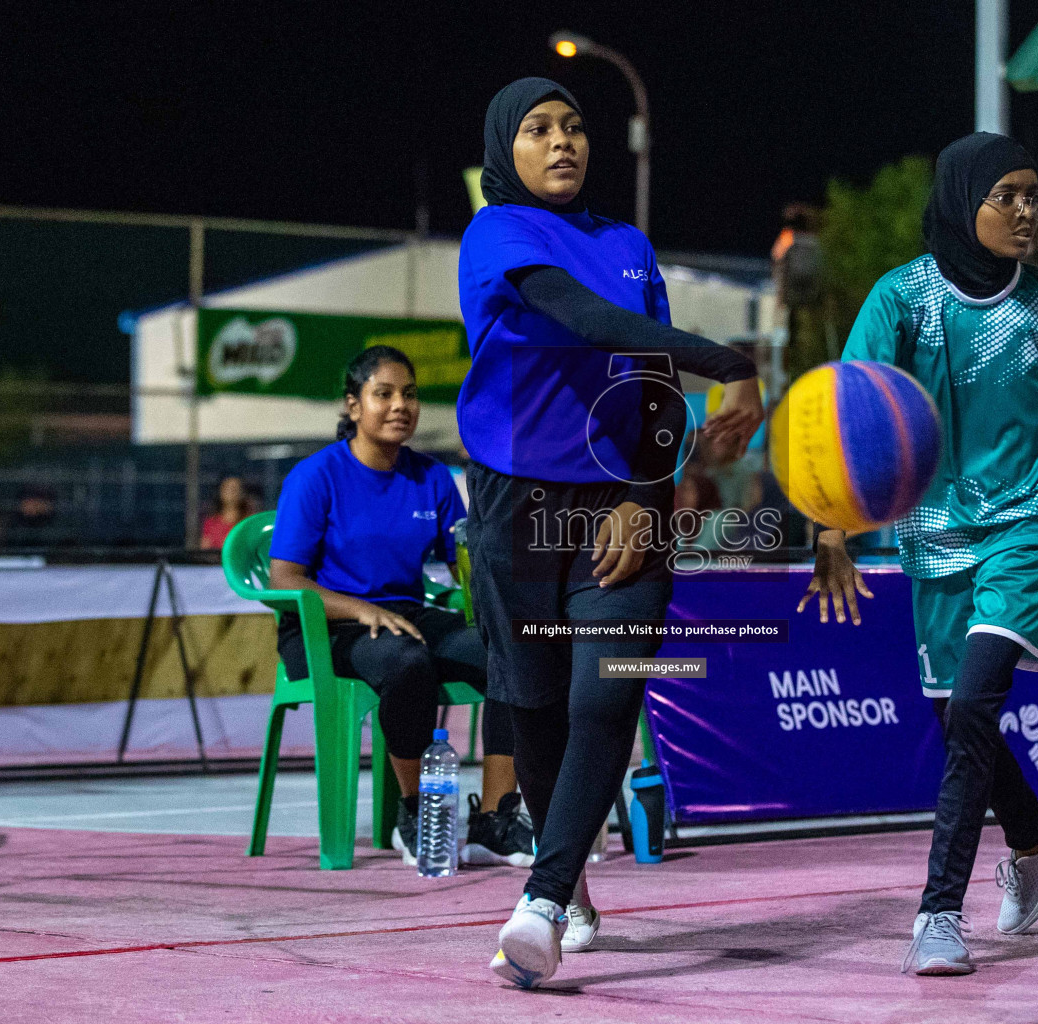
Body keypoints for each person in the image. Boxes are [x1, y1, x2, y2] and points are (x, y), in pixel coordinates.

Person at [457, 78, 763, 988]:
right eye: (539, 130)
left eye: (575, 128)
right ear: (503, 150)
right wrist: (734, 361)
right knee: (539, 709)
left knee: (606, 693)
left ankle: (542, 902)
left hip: (624, 504)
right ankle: (573, 882)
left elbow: (652, 382)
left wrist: (647, 491)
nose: (563, 143)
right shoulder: (498, 232)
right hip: (517, 508)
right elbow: (589, 324)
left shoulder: (628, 245)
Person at [802, 133, 1038, 977]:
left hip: (1029, 524)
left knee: (970, 710)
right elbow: (852, 411)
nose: (1030, 213)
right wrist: (832, 524)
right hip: (932, 535)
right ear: (965, 201)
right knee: (951, 712)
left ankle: (937, 915)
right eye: (1011, 196)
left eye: (1037, 196)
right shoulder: (901, 299)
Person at [268, 346, 532, 869]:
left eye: (408, 394)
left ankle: (495, 818)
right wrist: (360, 611)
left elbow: (463, 559)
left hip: (405, 614)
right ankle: (414, 814)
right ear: (352, 406)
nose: (400, 406)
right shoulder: (315, 477)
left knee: (511, 653)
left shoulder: (431, 477)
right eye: (383, 394)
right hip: (326, 627)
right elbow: (286, 578)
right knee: (407, 664)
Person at [200, 475, 252, 550]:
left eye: (235, 489)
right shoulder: (211, 523)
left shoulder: (248, 522)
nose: (231, 493)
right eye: (227, 488)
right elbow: (204, 551)